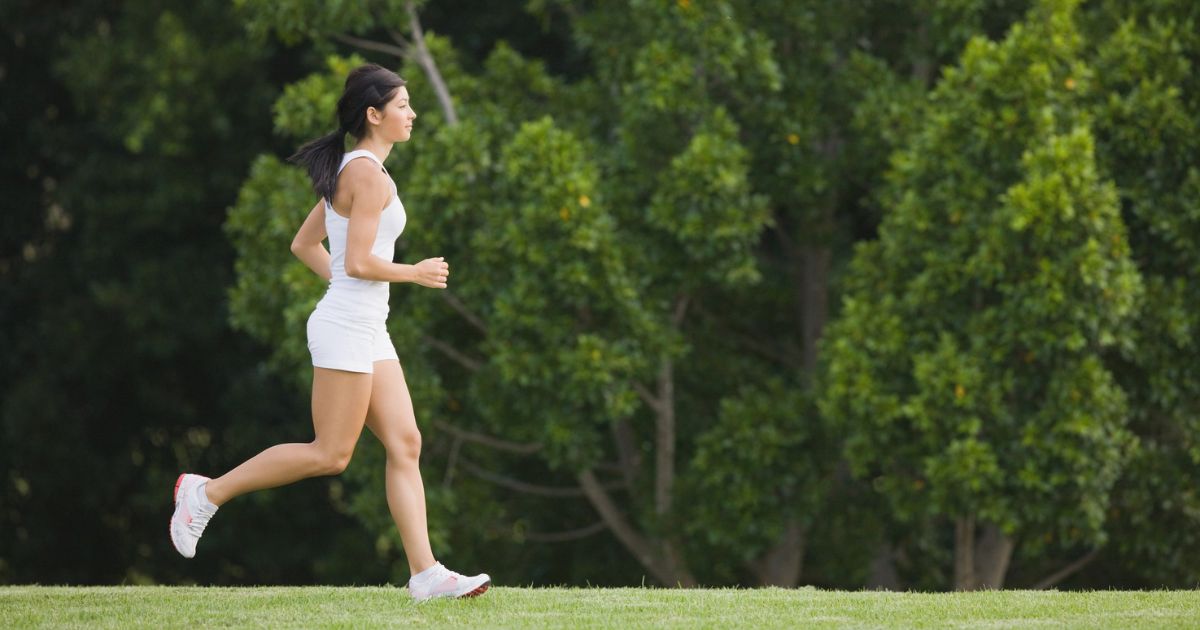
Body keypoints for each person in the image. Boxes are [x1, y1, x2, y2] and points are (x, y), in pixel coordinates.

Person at [169, 63, 490, 602]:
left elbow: (306, 245)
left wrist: (348, 287)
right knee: (331, 454)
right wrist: (412, 272)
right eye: (403, 106)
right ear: (374, 114)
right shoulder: (365, 175)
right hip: (346, 327)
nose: (413, 114)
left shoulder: (358, 170)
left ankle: (426, 574)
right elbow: (358, 262)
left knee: (405, 442)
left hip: (365, 325)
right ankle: (206, 494)